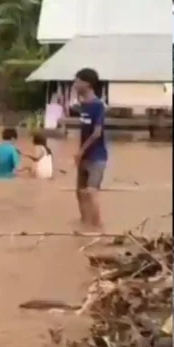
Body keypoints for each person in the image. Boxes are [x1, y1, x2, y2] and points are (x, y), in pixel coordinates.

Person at [73, 67, 108, 228]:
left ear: (87, 84)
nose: (75, 84)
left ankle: (98, 227)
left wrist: (81, 151)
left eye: (77, 81)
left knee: (91, 192)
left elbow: (97, 133)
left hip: (97, 157)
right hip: (84, 157)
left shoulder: (98, 106)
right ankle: (85, 224)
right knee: (80, 193)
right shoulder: (84, 105)